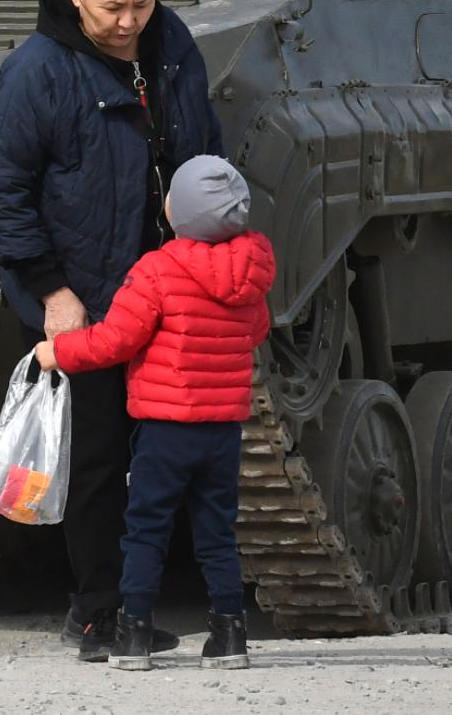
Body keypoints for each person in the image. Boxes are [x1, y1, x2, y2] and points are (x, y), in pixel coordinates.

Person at [0, 0, 223, 662]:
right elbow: (6, 189)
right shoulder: (40, 69)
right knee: (94, 459)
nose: (127, 23)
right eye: (112, 7)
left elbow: (203, 152)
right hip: (81, 297)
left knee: (161, 458)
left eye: (142, 5)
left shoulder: (170, 45)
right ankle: (98, 614)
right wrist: (50, 290)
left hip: (167, 288)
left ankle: (141, 604)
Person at [35, 156, 274, 671]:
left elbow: (117, 340)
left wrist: (62, 353)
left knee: (145, 530)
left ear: (174, 212)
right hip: (222, 431)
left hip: (165, 430)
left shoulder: (158, 269)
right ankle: (230, 637)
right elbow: (254, 332)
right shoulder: (251, 274)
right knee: (216, 532)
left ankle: (133, 636)